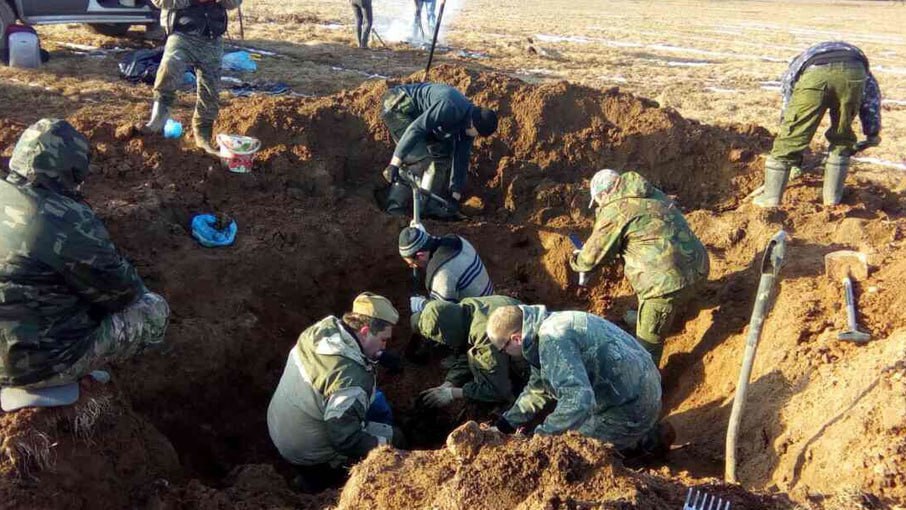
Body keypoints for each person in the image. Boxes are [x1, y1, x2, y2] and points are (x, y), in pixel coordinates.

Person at [0, 119, 169, 402]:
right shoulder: (68, 221)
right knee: (154, 310)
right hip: (38, 364)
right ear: (73, 169)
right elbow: (123, 293)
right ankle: (74, 371)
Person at [486, 305, 669, 455]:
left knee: (571, 452)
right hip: (643, 386)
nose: (506, 355)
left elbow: (578, 400)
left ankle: (638, 447)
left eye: (503, 350)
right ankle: (646, 436)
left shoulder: (552, 340)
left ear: (516, 339)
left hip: (631, 405)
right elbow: (538, 387)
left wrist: (541, 439)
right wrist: (505, 424)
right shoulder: (547, 324)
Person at [570, 169, 709, 366]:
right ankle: (658, 317)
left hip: (666, 287)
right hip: (699, 268)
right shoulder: (651, 192)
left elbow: (590, 259)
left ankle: (646, 387)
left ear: (603, 195)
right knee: (662, 292)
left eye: (598, 202)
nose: (599, 206)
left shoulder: (615, 210)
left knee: (645, 351)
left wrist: (576, 261)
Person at [266, 293, 404, 491]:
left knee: (373, 400)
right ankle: (321, 482)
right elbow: (345, 440)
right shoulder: (352, 383)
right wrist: (387, 445)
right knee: (396, 438)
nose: (385, 345)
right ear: (365, 331)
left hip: (281, 426)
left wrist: (379, 354)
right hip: (307, 451)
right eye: (383, 340)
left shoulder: (323, 330)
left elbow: (349, 356)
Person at [754, 41, 882, 208]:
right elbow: (871, 97)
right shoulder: (861, 65)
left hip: (815, 74)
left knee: (789, 141)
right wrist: (872, 131)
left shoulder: (798, 64)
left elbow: (789, 97)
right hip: (854, 72)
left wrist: (788, 129)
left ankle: (770, 200)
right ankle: (832, 200)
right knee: (842, 139)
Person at [380, 83, 498, 219]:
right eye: (477, 133)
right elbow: (416, 129)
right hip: (397, 107)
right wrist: (395, 163)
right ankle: (394, 209)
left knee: (442, 158)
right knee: (421, 159)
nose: (475, 136)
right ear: (472, 124)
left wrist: (455, 197)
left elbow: (461, 160)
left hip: (422, 119)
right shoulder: (450, 106)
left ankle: (428, 206)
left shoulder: (468, 127)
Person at [144, 0, 243, 154]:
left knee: (210, 89)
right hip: (182, 35)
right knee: (169, 68)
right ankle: (158, 120)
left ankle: (203, 135)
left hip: (212, 38)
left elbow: (234, 3)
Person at [412, 295, 529, 408]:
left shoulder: (486, 335)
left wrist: (453, 393)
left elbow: (497, 390)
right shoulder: (467, 308)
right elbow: (468, 350)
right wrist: (450, 382)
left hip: (534, 361)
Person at [398, 226, 493, 306]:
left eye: (412, 263)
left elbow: (441, 312)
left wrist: (421, 304)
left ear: (420, 256)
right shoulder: (458, 241)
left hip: (481, 319)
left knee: (417, 318)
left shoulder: (442, 274)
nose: (414, 267)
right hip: (491, 301)